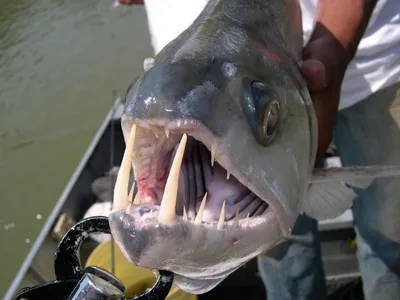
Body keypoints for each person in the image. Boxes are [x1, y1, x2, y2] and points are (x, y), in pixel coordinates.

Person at [117, 0, 400, 299]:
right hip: (176, 77)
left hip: (371, 65)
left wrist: (332, 52)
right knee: (281, 252)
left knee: (386, 227)